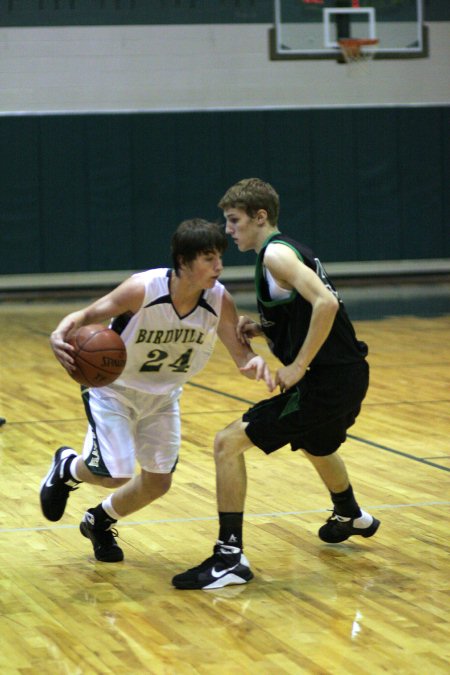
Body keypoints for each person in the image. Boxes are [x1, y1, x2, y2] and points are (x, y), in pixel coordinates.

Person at [172, 178, 380, 590]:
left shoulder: (276, 256)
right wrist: (264, 327)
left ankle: (229, 558)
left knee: (226, 442)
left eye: (234, 221)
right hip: (345, 373)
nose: (228, 230)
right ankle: (350, 514)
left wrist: (299, 365)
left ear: (259, 216)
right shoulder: (286, 252)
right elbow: (307, 312)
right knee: (316, 443)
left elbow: (327, 304)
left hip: (327, 380)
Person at [40, 218, 273, 563]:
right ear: (183, 261)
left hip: (164, 397)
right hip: (113, 391)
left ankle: (98, 521)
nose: (219, 266)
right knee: (114, 474)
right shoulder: (143, 288)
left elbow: (241, 355)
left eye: (219, 257)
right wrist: (59, 332)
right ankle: (68, 468)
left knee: (157, 482)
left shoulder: (219, 300)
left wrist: (254, 362)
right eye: (209, 259)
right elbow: (90, 313)